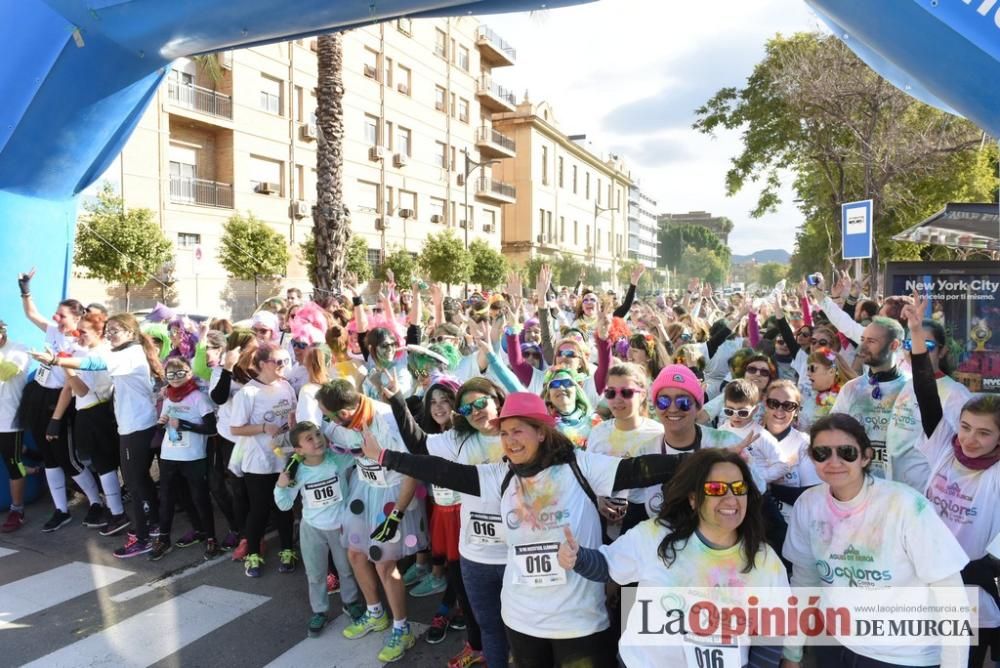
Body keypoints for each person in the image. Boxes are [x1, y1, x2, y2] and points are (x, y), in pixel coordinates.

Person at [359, 392, 685, 668]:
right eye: (504, 433)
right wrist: (385, 456)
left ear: (541, 432)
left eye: (518, 431)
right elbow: (442, 471)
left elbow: (639, 471)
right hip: (522, 620)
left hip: (580, 622)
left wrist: (707, 460)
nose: (510, 441)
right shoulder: (498, 476)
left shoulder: (580, 465)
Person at [559, 448, 790, 667]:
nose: (731, 499)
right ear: (692, 498)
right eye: (716, 489)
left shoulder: (764, 561)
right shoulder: (655, 536)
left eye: (739, 488)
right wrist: (577, 557)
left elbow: (771, 633)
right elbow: (607, 566)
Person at [781, 413, 970, 668]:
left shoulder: (905, 505)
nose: (834, 461)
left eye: (846, 452)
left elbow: (950, 593)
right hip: (833, 643)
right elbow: (805, 582)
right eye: (822, 453)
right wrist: (792, 652)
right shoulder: (808, 505)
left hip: (902, 656)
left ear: (866, 456)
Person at [905, 296, 1000, 667]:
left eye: (984, 434)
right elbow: (925, 391)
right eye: (965, 427)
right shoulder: (944, 444)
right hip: (923, 569)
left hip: (971, 578)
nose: (970, 439)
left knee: (965, 659)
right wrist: (915, 333)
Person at [383, 373, 501, 666]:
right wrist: (397, 398)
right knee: (470, 593)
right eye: (466, 408)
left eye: (481, 403)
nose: (474, 412)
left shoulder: (514, 431)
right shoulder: (457, 438)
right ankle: (478, 646)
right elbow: (418, 445)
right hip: (466, 528)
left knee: (511, 604)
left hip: (512, 534)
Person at [30, 313, 164, 558]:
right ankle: (153, 526)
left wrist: (54, 359)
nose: (111, 334)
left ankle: (143, 537)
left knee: (134, 484)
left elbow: (94, 364)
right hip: (132, 425)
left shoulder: (130, 355)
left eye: (116, 330)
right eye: (109, 329)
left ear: (130, 333)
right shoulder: (123, 352)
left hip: (136, 427)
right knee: (139, 481)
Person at [316, 379, 426, 664]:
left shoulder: (387, 421)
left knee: (384, 563)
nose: (326, 421)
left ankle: (402, 629)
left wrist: (397, 514)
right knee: (354, 553)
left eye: (328, 415)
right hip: (363, 489)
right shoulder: (339, 421)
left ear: (344, 411)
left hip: (395, 492)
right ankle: (375, 613)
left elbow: (412, 470)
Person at [17, 268, 93, 532]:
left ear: (75, 318)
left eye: (61, 315)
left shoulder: (81, 346)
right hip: (38, 394)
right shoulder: (52, 330)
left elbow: (71, 387)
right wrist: (25, 289)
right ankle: (61, 510)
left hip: (59, 399)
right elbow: (31, 314)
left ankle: (97, 502)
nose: (55, 318)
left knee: (66, 458)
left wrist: (55, 420)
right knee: (49, 457)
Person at [274, 422, 363, 636]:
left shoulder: (337, 460)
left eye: (317, 434)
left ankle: (350, 602)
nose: (317, 440)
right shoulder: (297, 472)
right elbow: (285, 504)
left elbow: (359, 452)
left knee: (346, 569)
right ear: (299, 450)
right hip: (312, 529)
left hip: (340, 526)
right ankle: (319, 610)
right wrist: (280, 486)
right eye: (309, 439)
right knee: (315, 573)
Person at [228, 343, 298, 577]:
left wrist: (293, 429)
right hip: (258, 460)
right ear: (260, 365)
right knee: (258, 509)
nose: (283, 366)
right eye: (277, 362)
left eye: (285, 361)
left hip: (285, 457)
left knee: (284, 506)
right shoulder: (248, 392)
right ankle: (253, 553)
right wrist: (263, 427)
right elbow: (236, 429)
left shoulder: (286, 386)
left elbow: (292, 417)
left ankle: (288, 550)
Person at [61, 312, 128, 535]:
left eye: (83, 331)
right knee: (103, 466)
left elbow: (81, 389)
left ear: (99, 332)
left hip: (96, 413)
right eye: (77, 331)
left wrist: (65, 366)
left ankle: (117, 513)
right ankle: (114, 509)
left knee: (105, 466)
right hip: (91, 413)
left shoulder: (99, 354)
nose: (78, 335)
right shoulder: (92, 352)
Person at [886, 315, 970, 491]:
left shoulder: (955, 393)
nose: (916, 350)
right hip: (897, 489)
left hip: (927, 493)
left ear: (942, 351)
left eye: (927, 346)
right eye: (910, 344)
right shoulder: (909, 383)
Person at [152, 357, 219, 560]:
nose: (175, 379)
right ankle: (164, 538)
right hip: (169, 455)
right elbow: (164, 425)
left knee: (200, 497)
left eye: (180, 373)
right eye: (170, 375)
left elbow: (211, 428)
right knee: (169, 498)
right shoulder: (168, 397)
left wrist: (185, 424)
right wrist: (161, 423)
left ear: (189, 373)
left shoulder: (199, 397)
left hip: (193, 457)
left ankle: (210, 538)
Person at [586, 363, 663, 534]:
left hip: (646, 524)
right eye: (611, 393)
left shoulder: (658, 434)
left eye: (626, 392)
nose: (617, 399)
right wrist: (598, 499)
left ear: (642, 395)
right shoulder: (599, 432)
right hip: (603, 523)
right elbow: (589, 478)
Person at [830, 317, 910, 479]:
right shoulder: (851, 389)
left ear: (894, 345)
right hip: (859, 484)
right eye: (862, 340)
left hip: (900, 488)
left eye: (871, 341)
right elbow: (834, 432)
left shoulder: (912, 388)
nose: (863, 347)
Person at [0, 319, 31, 532]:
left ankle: (17, 510)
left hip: (8, 419)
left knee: (13, 464)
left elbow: (6, 372)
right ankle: (34, 466)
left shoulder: (19, 349)